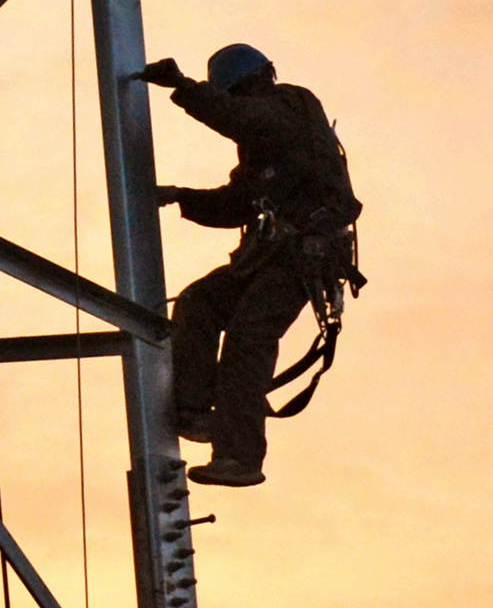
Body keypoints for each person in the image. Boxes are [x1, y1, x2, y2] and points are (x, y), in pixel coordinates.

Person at [137, 43, 361, 488]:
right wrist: (183, 196)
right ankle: (196, 410)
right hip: (270, 258)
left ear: (253, 85)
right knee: (200, 303)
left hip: (302, 260)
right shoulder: (262, 149)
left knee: (249, 337)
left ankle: (239, 456)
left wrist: (184, 88)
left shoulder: (291, 108)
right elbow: (236, 204)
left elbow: (245, 120)